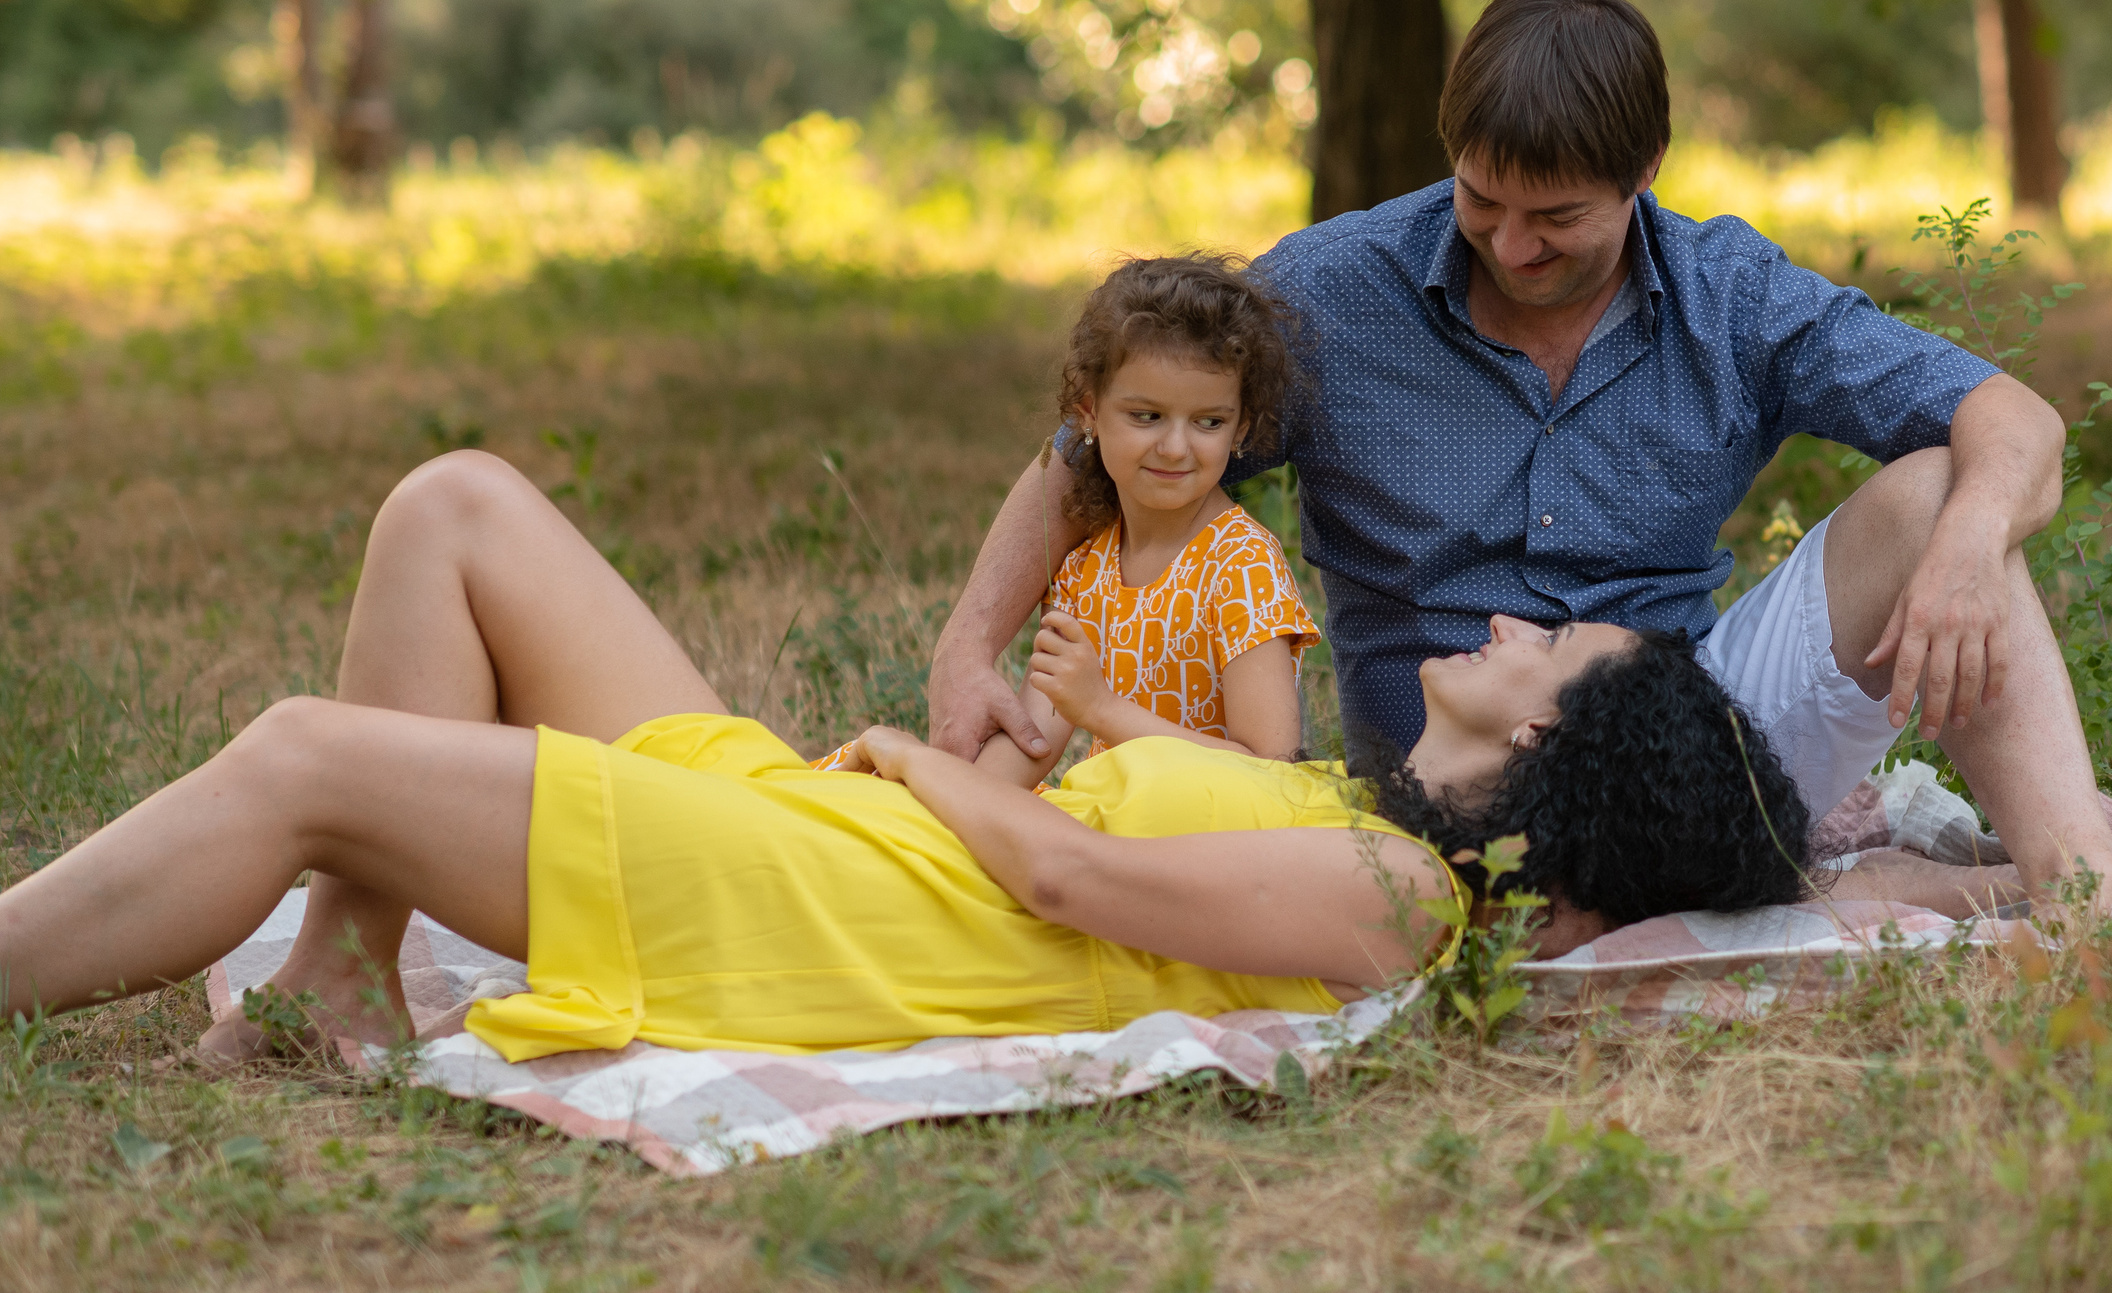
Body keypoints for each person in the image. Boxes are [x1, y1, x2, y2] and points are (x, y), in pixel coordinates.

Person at [928, 0, 2112, 930]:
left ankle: (2082, 895)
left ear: (1645, 171)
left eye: (1559, 218)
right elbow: (1090, 454)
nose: (1513, 245)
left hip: (1683, 736)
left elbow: (2015, 420)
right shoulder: (1329, 292)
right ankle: (1869, 878)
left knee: (1938, 490)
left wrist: (1970, 552)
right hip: (1458, 783)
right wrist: (964, 646)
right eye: (1483, 202)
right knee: (1526, 926)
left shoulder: (1729, 293)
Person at [0, 452, 1811, 1062]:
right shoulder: (1355, 819)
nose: (1505, 626)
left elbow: (1066, 885)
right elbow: (1082, 866)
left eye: (1551, 639)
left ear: (1565, 729)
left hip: (802, 894)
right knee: (456, 503)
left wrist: (906, 749)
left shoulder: (1402, 889)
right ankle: (341, 972)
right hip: (822, 830)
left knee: (306, 751)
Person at [810, 254, 1320, 778]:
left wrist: (1102, 710)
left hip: (1206, 845)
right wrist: (927, 784)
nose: (1174, 447)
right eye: (1146, 416)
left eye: (1208, 422)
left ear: (1240, 430)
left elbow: (1271, 771)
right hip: (1112, 825)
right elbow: (1024, 754)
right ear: (1089, 413)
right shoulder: (1085, 571)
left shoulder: (1240, 564)